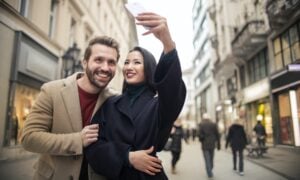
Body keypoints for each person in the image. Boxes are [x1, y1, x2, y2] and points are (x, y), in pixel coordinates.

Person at [85, 12, 186, 180]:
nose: (129, 67)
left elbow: (172, 90)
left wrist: (167, 43)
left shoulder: (159, 106)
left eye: (137, 62)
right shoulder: (110, 104)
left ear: (149, 69)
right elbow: (93, 147)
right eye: (126, 62)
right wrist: (126, 157)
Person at [21, 36, 120, 180]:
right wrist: (78, 140)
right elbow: (29, 138)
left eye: (111, 62)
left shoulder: (115, 99)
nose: (105, 68)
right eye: (98, 60)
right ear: (84, 62)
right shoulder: (52, 91)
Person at [198, 113, 220, 178]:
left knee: (207, 159)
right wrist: (219, 144)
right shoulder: (213, 124)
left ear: (203, 118)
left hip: (204, 144)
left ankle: (209, 172)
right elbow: (217, 134)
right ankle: (210, 168)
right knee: (211, 158)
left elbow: (199, 135)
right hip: (212, 144)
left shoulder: (201, 125)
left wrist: (202, 139)